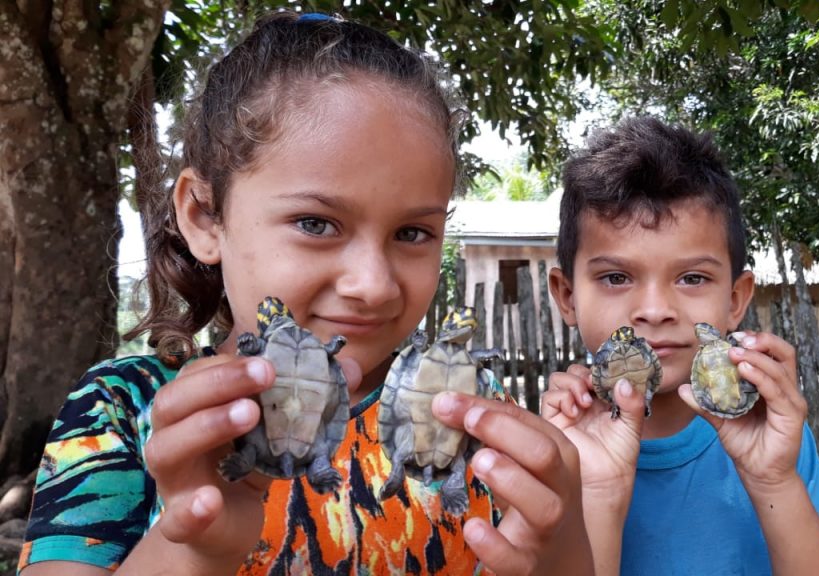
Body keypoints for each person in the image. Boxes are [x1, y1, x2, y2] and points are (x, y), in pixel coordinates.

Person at [19, 12, 592, 576]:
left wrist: (562, 539)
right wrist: (193, 551)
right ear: (204, 216)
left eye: (412, 233)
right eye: (316, 224)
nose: (373, 285)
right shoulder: (122, 408)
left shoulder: (472, 407)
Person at [543, 116, 819, 575]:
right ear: (567, 296)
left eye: (692, 278)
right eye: (615, 277)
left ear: (735, 300)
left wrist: (772, 481)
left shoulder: (771, 438)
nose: (655, 310)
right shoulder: (550, 452)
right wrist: (597, 492)